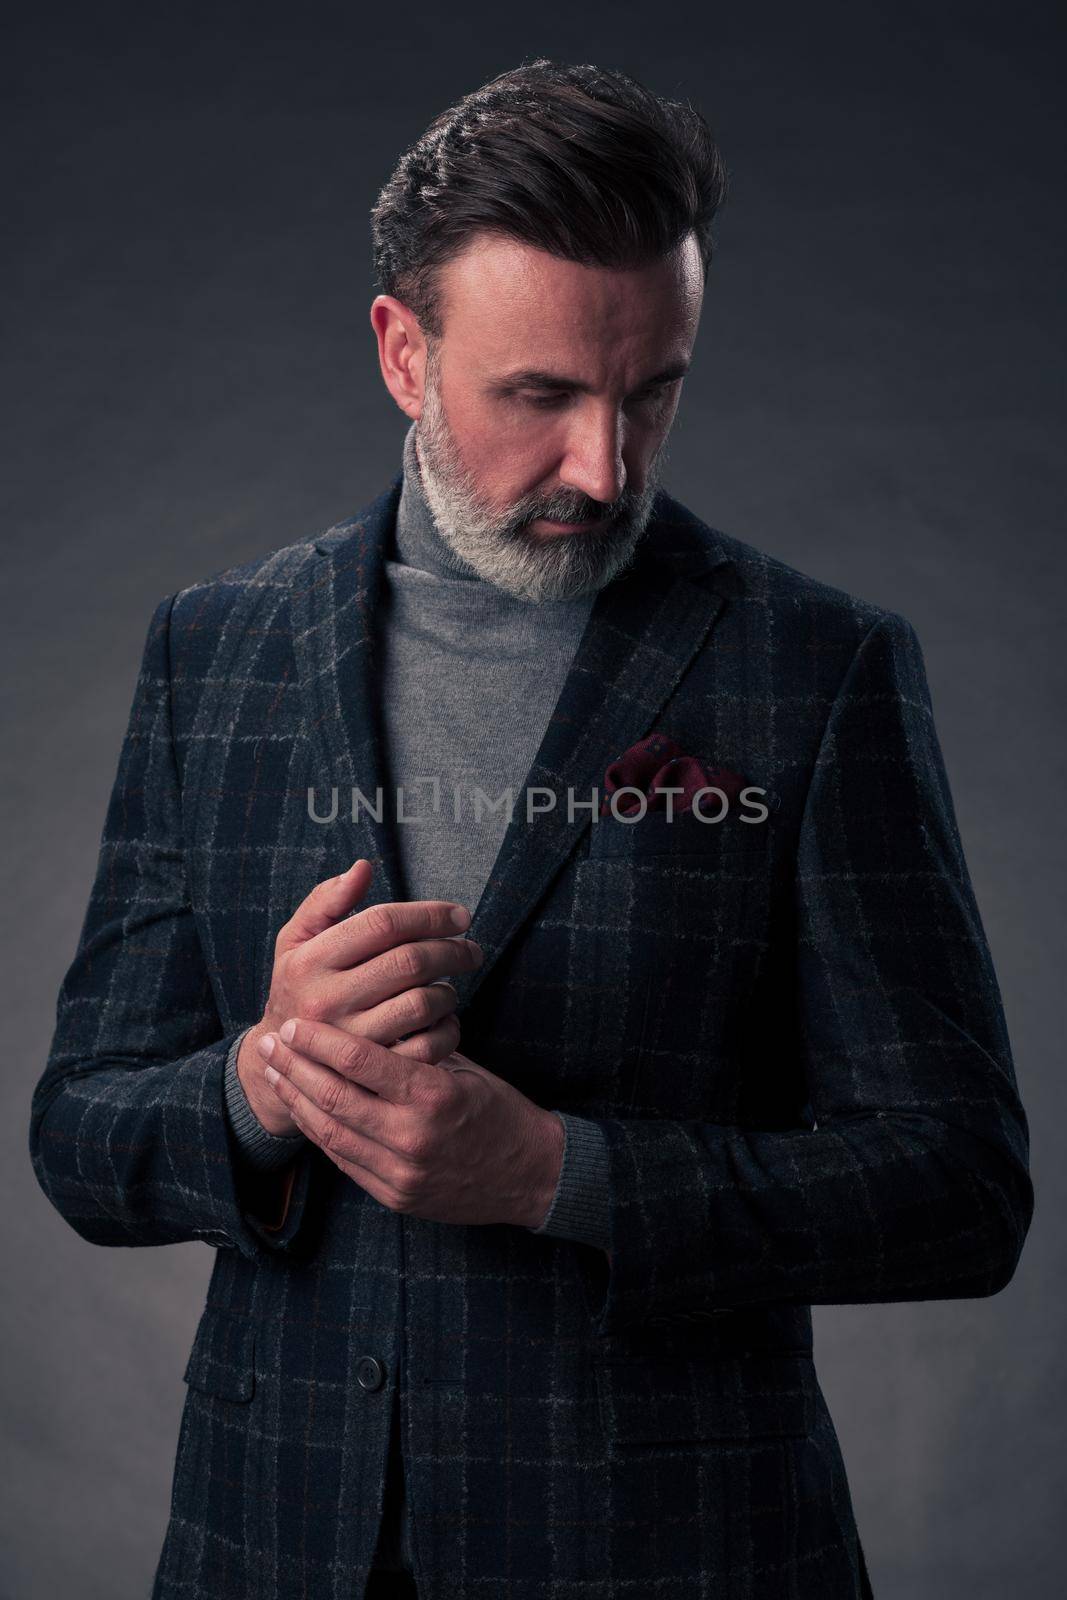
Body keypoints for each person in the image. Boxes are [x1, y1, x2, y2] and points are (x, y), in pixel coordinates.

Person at [28, 58, 1033, 1600]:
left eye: (653, 391)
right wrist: (260, 1079)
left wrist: (559, 1175)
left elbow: (962, 1189)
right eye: (543, 395)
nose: (605, 467)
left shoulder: (818, 671)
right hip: (271, 1546)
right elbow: (79, 1135)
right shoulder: (212, 652)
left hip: (671, 1559)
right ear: (403, 354)